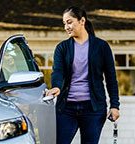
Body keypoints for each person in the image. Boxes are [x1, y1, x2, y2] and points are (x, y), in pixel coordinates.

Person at [44, 6, 120, 144]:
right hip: (66, 109)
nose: (66, 27)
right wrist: (56, 87)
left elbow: (111, 79)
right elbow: (58, 71)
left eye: (69, 22)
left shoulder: (101, 47)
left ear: (82, 21)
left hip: (93, 109)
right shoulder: (62, 48)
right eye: (64, 24)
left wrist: (114, 106)